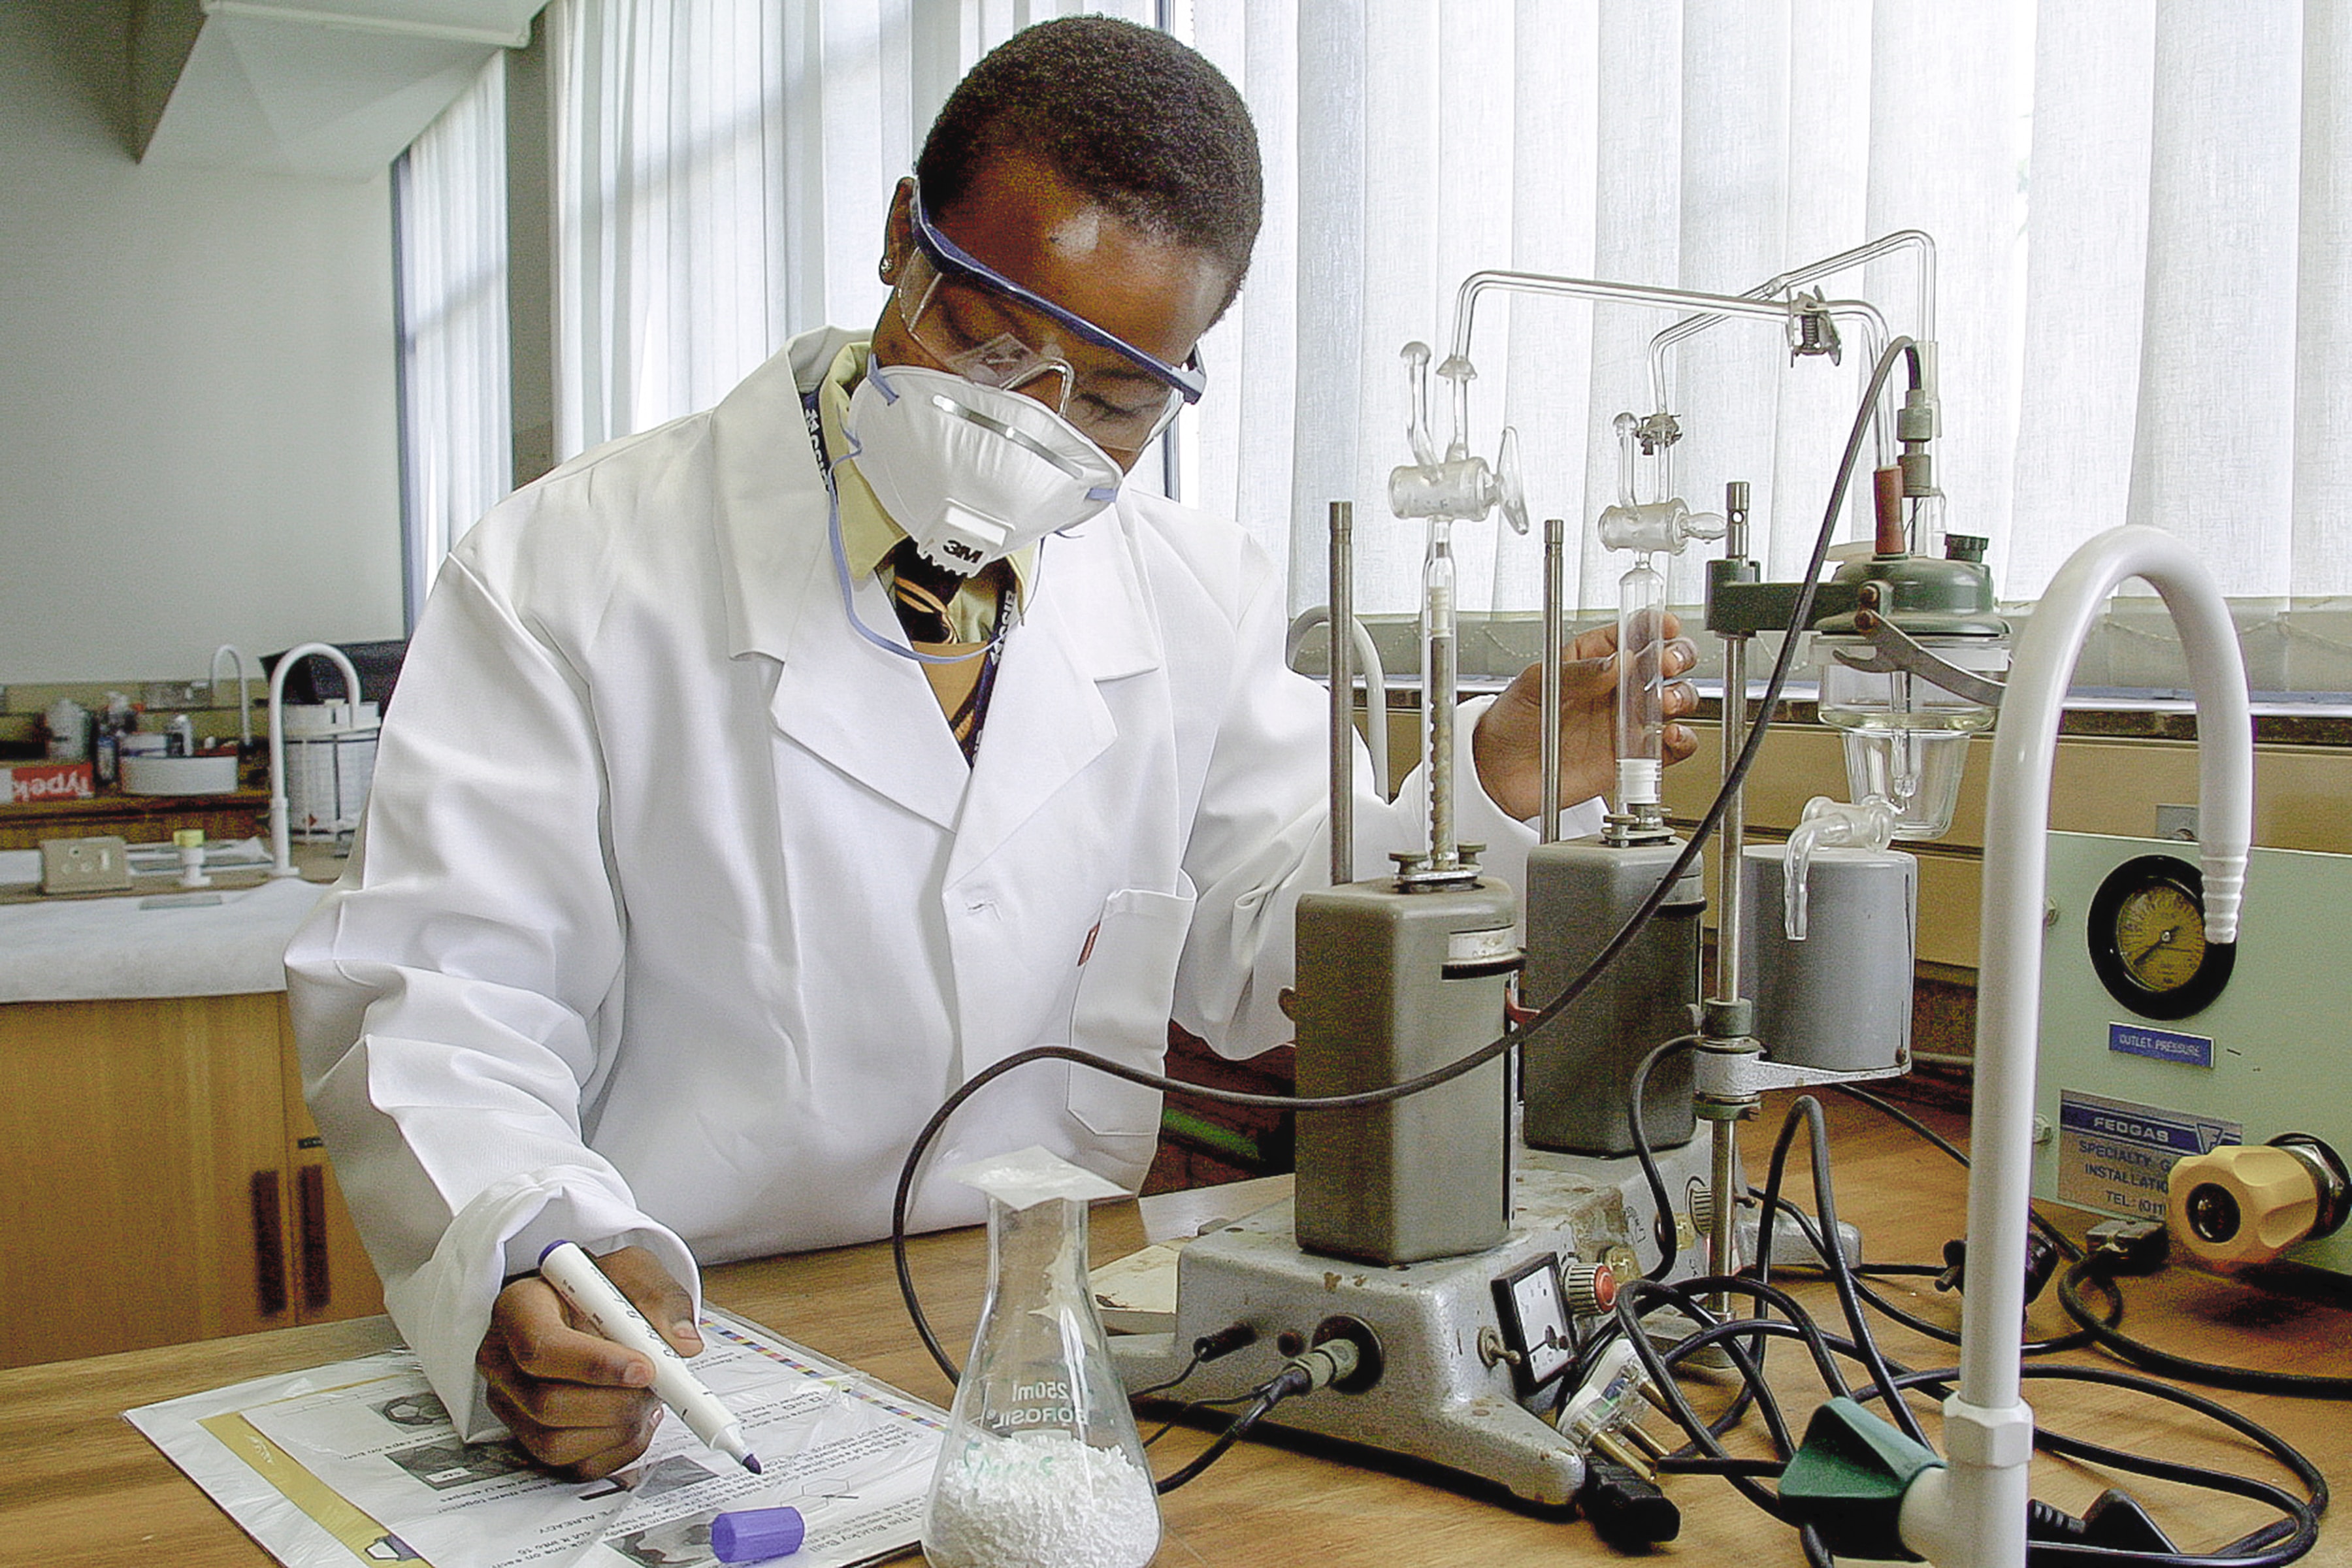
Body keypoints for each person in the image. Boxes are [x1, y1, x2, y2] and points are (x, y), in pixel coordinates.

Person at [286, 16, 1698, 1481]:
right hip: (692, 1329)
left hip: (1064, 1332)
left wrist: (1491, 783)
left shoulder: (1192, 591)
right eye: (990, 339)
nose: (1035, 424)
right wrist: (545, 1256)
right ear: (905, 235)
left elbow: (1273, 945)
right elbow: (449, 998)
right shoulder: (567, 569)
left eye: (1117, 398)